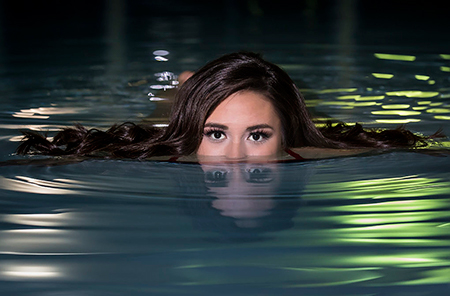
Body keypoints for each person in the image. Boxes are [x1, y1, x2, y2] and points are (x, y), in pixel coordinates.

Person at [16, 52, 443, 163]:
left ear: (285, 137)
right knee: (165, 112)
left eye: (258, 135)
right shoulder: (166, 150)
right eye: (215, 133)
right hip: (173, 123)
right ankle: (185, 91)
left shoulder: (308, 151)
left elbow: (416, 147)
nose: (236, 158)